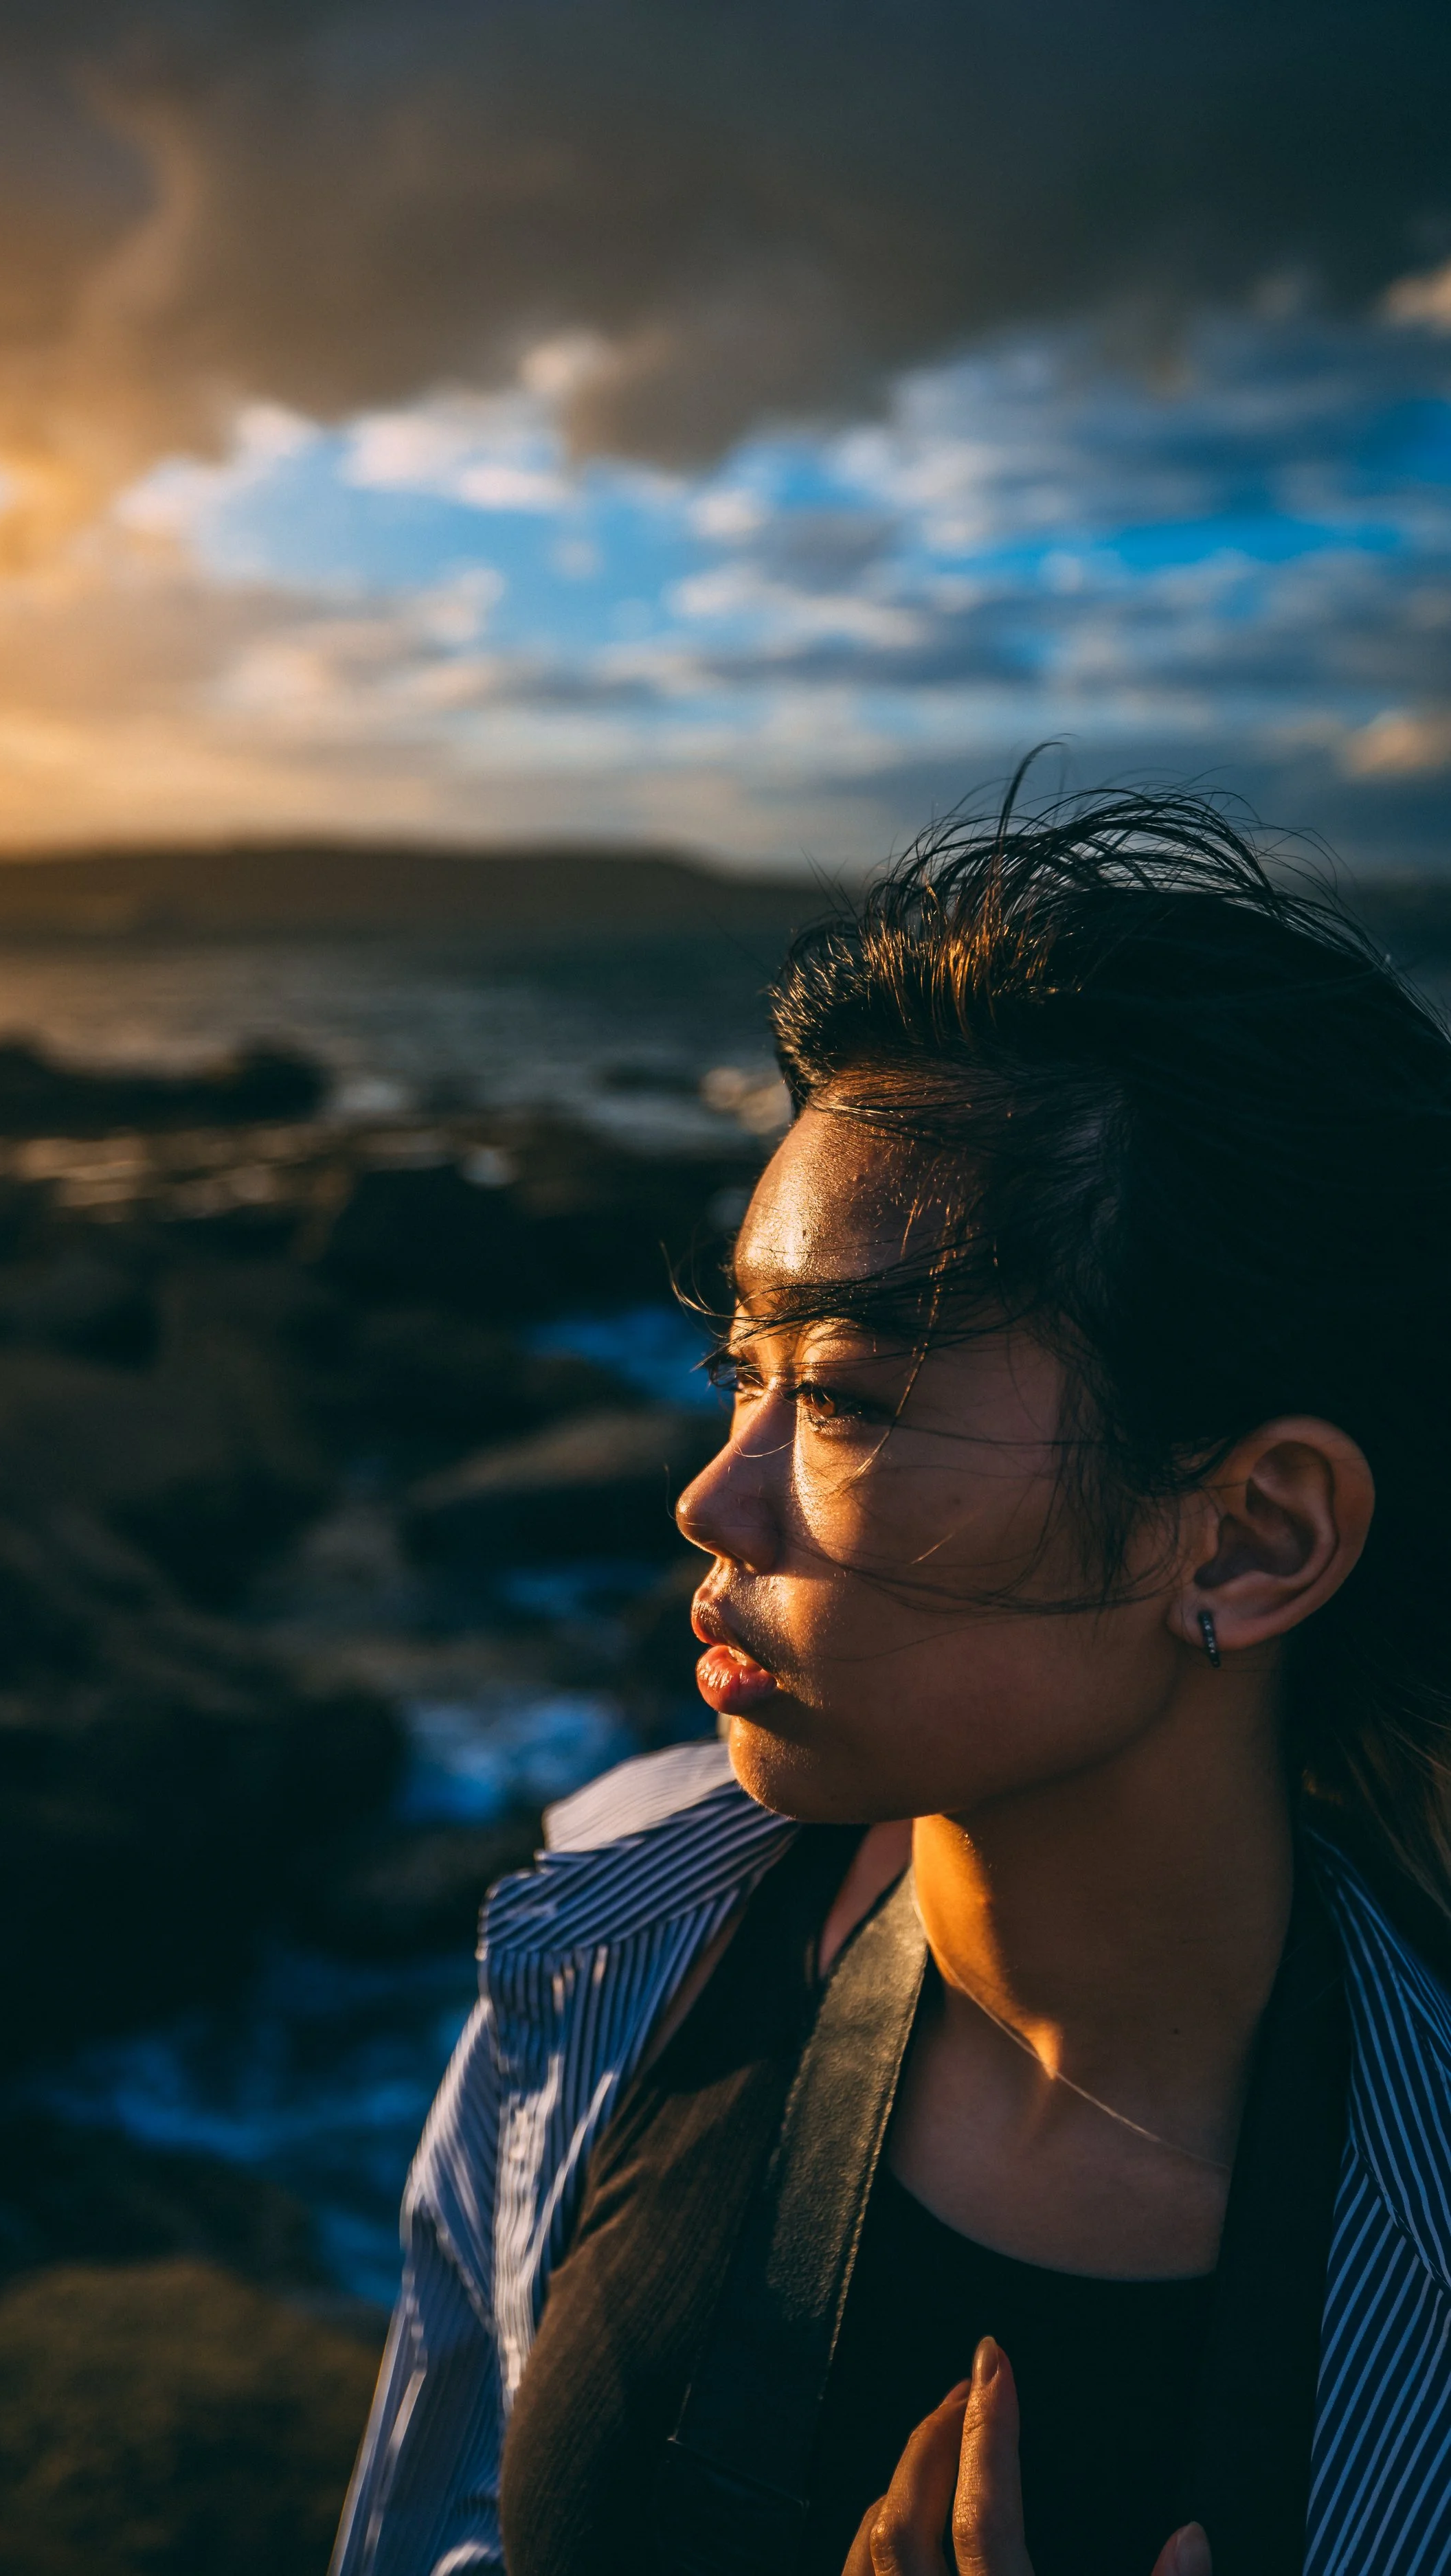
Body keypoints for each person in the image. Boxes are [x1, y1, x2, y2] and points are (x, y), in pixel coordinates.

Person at [332, 786, 1451, 2576]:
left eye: (845, 1396)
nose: (711, 1492)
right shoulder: (608, 1948)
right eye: (738, 1370)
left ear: (1249, 1538)